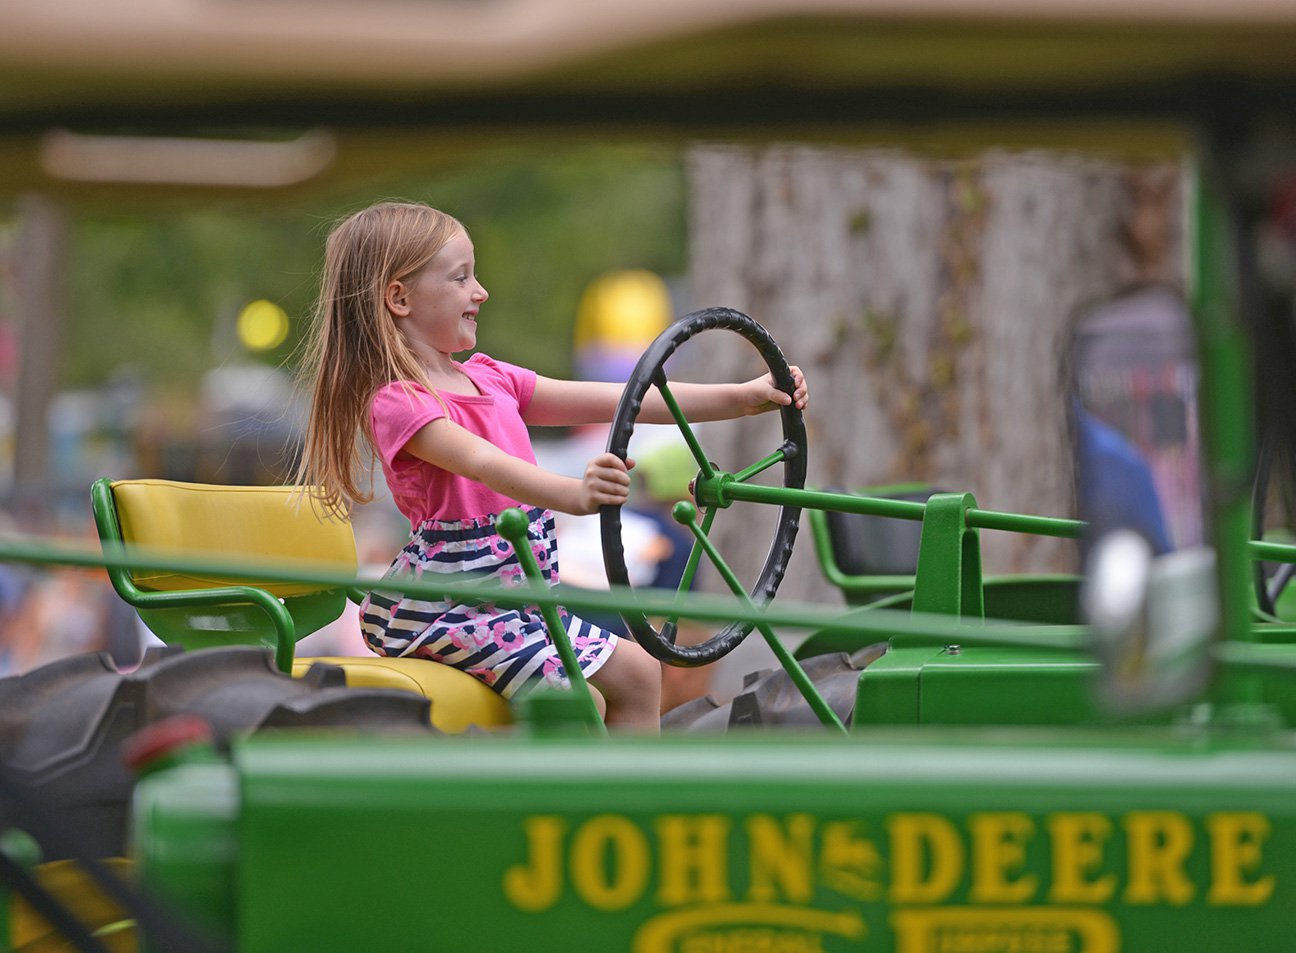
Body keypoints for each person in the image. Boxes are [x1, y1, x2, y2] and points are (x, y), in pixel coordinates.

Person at [294, 201, 808, 731]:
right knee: (578, 701)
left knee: (638, 672)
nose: (480, 292)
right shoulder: (399, 402)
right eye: (461, 277)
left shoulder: (493, 379)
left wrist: (742, 398)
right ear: (399, 297)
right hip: (459, 607)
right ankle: (570, 808)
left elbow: (622, 397)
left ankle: (637, 803)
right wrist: (573, 495)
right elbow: (482, 462)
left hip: (521, 598)